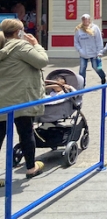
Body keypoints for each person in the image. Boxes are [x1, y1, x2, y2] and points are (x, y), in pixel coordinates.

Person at [0, 19, 49, 184]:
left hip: (2, 100)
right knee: (26, 133)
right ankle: (31, 167)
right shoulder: (21, 46)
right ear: (18, 32)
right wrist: (36, 45)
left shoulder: (1, 45)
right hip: (20, 100)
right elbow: (42, 61)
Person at [74, 14, 107, 86]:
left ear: (89, 20)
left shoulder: (95, 28)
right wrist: (80, 50)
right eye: (83, 19)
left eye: (86, 19)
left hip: (94, 52)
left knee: (96, 67)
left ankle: (103, 77)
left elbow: (99, 40)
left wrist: (100, 51)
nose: (85, 21)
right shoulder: (78, 29)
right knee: (82, 69)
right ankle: (82, 84)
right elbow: (76, 42)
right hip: (83, 53)